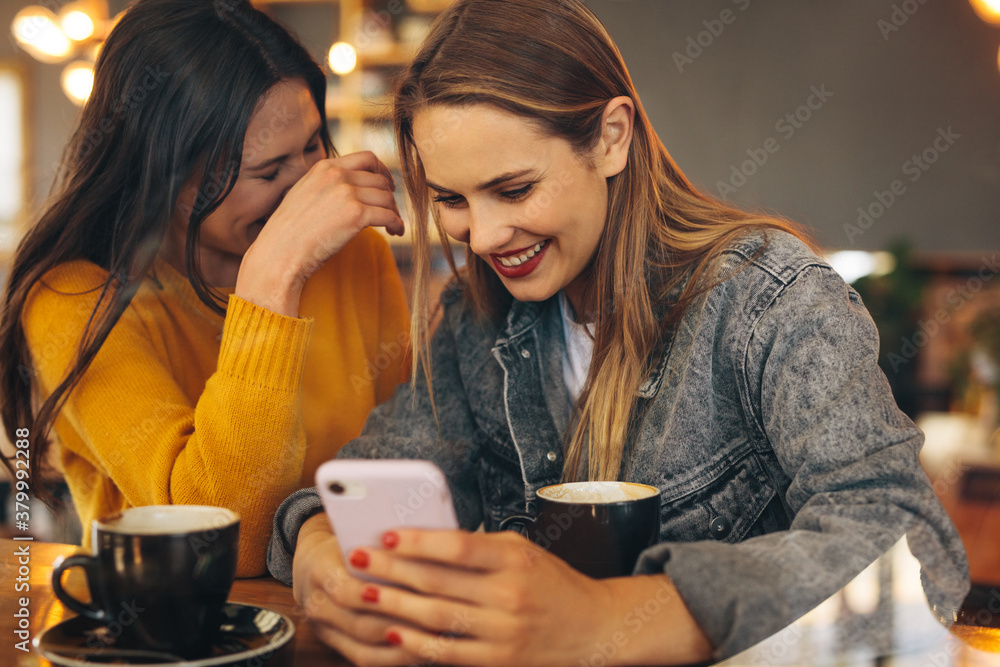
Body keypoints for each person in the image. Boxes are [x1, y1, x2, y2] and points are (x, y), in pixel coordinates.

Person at [268, 0, 969, 664]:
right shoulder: (475, 323)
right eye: (451, 199)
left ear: (611, 138)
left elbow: (913, 549)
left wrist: (610, 620)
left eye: (513, 189)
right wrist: (322, 550)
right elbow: (370, 482)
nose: (481, 236)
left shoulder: (771, 299)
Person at [0, 0, 410, 577]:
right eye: (268, 172)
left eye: (314, 145)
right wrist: (272, 279)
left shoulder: (353, 252)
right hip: (167, 639)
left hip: (348, 611)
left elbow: (404, 455)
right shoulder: (74, 300)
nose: (309, 192)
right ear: (162, 174)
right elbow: (218, 539)